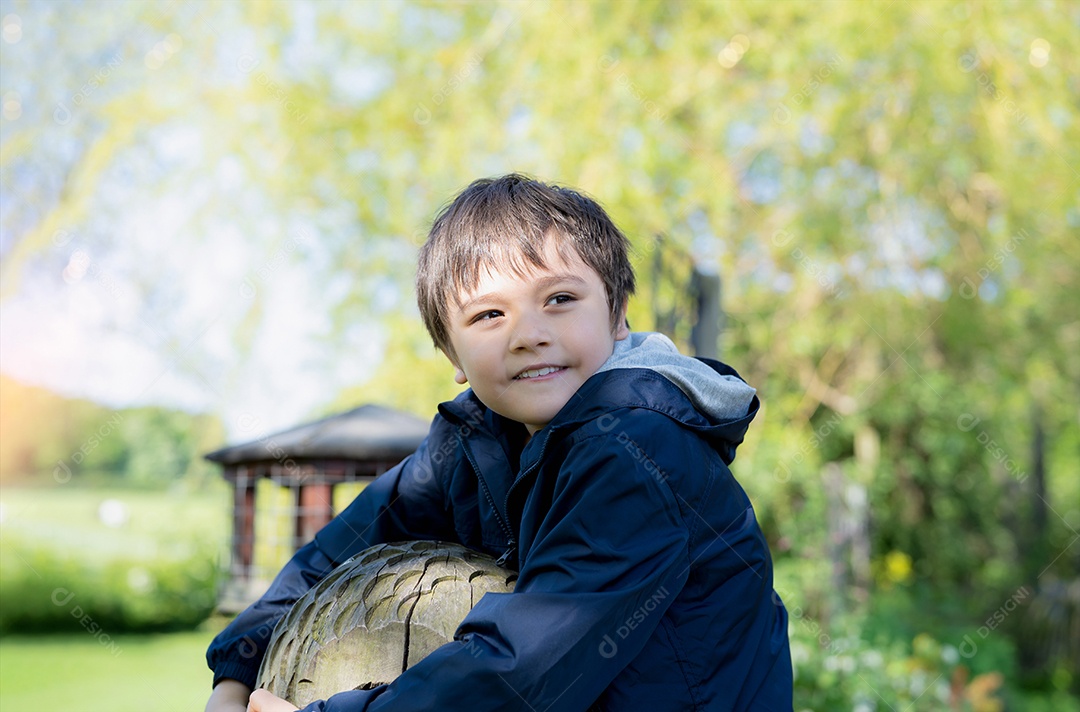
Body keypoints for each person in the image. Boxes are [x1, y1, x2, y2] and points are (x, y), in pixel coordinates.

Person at [205, 174, 793, 712]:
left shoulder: (639, 447)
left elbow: (522, 666)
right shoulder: (473, 444)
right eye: (488, 315)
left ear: (618, 318)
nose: (528, 335)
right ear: (452, 356)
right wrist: (236, 671)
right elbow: (339, 546)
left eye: (559, 299)